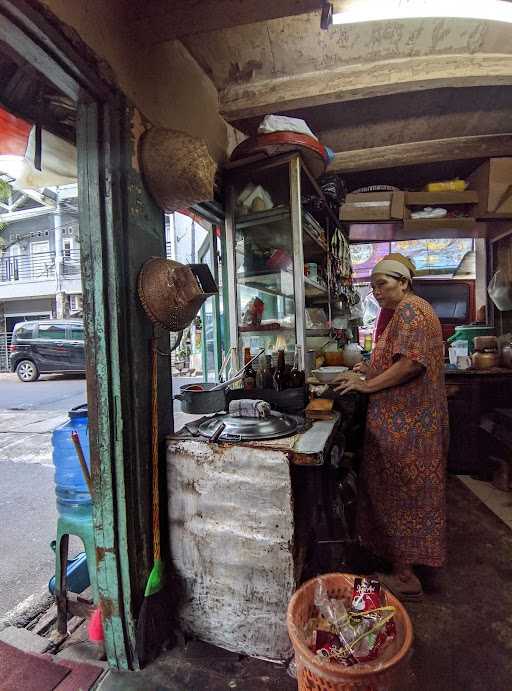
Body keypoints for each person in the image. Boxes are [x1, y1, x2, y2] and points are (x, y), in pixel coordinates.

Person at [335, 253, 448, 600]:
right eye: (373, 287)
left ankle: (405, 577)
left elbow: (411, 364)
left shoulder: (413, 310)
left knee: (404, 495)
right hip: (405, 424)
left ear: (403, 282)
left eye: (382, 284)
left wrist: (366, 386)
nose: (378, 292)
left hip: (409, 428)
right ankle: (405, 565)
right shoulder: (402, 312)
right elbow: (391, 360)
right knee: (400, 494)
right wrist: (363, 371)